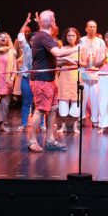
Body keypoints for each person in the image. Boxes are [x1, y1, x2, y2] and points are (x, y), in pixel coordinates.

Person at [26, 10, 79, 152]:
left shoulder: (44, 36)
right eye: (54, 18)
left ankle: (49, 140)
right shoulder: (44, 36)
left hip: (49, 79)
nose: (56, 21)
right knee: (40, 110)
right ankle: (31, 141)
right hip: (41, 80)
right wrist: (78, 48)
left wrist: (67, 61)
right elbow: (57, 52)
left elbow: (53, 59)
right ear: (50, 21)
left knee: (53, 108)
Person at [79, 20, 106, 128]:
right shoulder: (81, 40)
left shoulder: (100, 41)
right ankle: (81, 118)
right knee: (82, 98)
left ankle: (95, 119)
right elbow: (78, 55)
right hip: (83, 73)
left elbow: (103, 57)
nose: (92, 29)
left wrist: (97, 61)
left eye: (94, 27)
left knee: (95, 98)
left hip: (96, 74)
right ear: (86, 28)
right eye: (90, 27)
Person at [56, 27, 82, 134]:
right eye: (69, 36)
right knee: (63, 101)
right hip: (64, 77)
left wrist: (77, 61)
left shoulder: (80, 48)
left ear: (77, 37)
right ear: (66, 37)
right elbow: (57, 61)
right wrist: (66, 61)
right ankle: (63, 126)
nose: (71, 38)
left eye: (73, 35)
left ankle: (75, 127)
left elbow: (84, 62)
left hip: (76, 76)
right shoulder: (62, 49)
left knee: (76, 102)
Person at [0, 32, 16, 133]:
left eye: (5, 37)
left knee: (5, 105)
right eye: (1, 37)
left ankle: (1, 124)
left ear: (7, 41)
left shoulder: (11, 52)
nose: (3, 38)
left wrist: (12, 79)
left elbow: (15, 67)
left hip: (6, 81)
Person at [14, 15, 35, 132]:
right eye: (32, 39)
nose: (33, 41)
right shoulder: (26, 48)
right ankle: (24, 123)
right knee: (26, 102)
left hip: (38, 79)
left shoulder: (42, 49)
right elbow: (20, 35)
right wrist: (26, 22)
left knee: (38, 103)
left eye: (35, 40)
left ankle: (42, 124)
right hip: (27, 78)